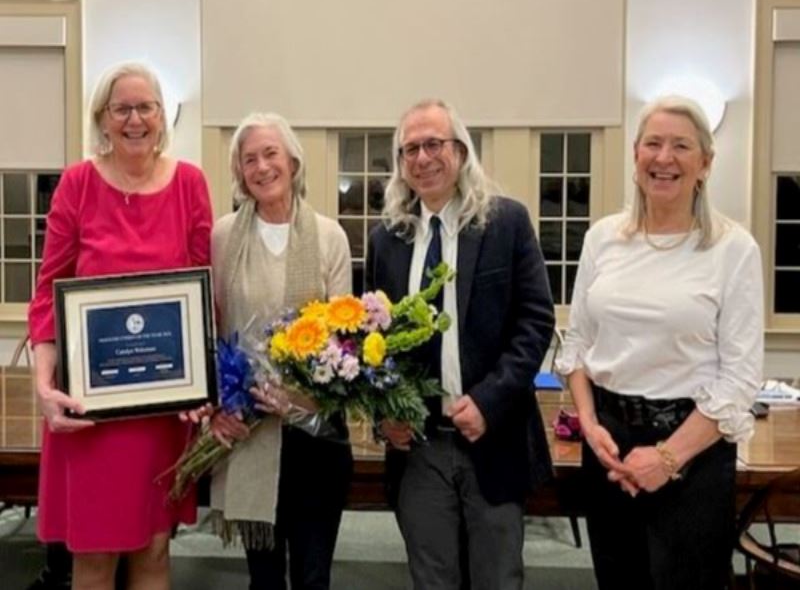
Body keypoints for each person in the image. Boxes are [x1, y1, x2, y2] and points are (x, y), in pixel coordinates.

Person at [556, 95, 764, 590]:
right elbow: (578, 343)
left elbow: (739, 379)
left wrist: (667, 458)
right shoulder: (602, 238)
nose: (663, 158)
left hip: (693, 451)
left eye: (681, 146)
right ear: (635, 155)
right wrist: (589, 424)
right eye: (652, 143)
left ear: (705, 163)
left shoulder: (734, 249)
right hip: (608, 449)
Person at [28, 61, 213, 589]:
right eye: (122, 109)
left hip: (162, 409)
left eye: (146, 107)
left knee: (155, 551)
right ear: (102, 119)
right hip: (91, 413)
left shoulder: (190, 183)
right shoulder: (78, 184)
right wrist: (44, 386)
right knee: (94, 559)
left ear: (162, 115)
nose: (135, 120)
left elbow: (204, 294)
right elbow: (49, 292)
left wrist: (201, 383)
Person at [366, 99, 555, 590]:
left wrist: (489, 401)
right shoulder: (386, 239)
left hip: (493, 439)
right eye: (410, 149)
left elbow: (535, 323)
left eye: (434, 144)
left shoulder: (506, 222)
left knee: (497, 578)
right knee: (432, 579)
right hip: (419, 447)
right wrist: (385, 417)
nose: (422, 158)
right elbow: (373, 344)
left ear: (462, 151)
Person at [208, 112, 354, 590]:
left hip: (316, 433)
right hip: (251, 433)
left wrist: (296, 397)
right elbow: (216, 328)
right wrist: (221, 403)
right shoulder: (223, 237)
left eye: (270, 154)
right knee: (264, 579)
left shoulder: (329, 236)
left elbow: (344, 341)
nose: (261, 167)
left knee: (313, 577)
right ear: (239, 172)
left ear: (293, 162)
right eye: (249, 159)